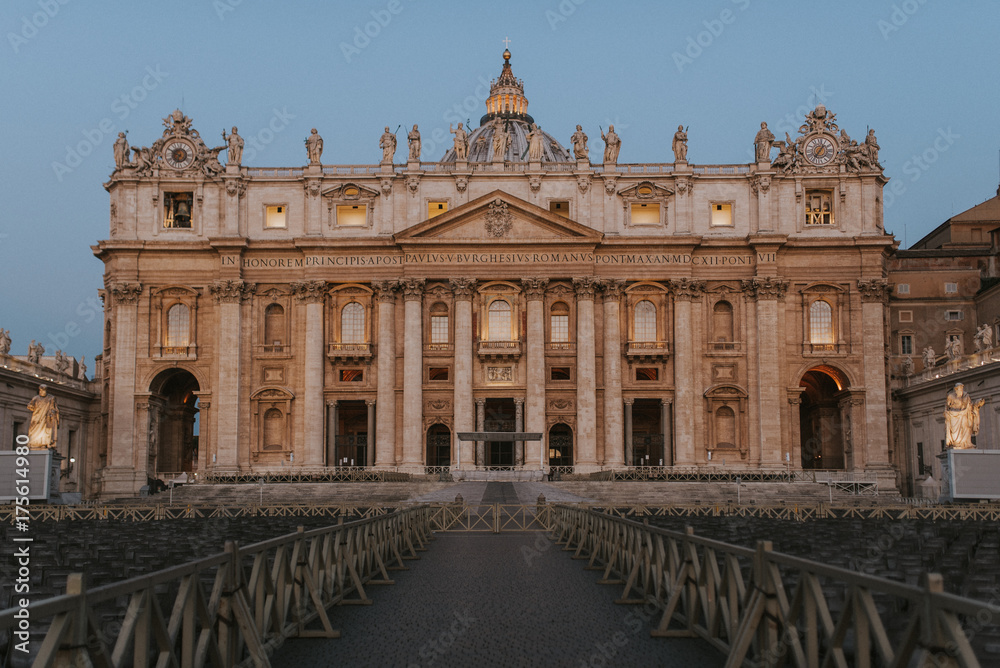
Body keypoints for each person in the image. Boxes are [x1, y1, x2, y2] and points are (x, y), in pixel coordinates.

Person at [944, 382, 986, 449]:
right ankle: (956, 442)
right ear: (956, 389)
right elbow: (947, 407)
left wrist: (978, 403)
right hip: (953, 415)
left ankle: (966, 442)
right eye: (959, 388)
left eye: (961, 388)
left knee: (966, 424)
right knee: (955, 423)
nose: (960, 390)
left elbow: (970, 406)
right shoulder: (950, 396)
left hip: (964, 414)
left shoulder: (966, 395)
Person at [27, 384, 59, 450]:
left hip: (46, 418)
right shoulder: (35, 398)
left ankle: (44, 442)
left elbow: (54, 408)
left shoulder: (51, 398)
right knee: (33, 429)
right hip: (37, 417)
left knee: (46, 430)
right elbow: (30, 406)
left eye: (44, 390)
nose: (42, 392)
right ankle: (33, 442)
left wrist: (52, 412)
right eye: (41, 390)